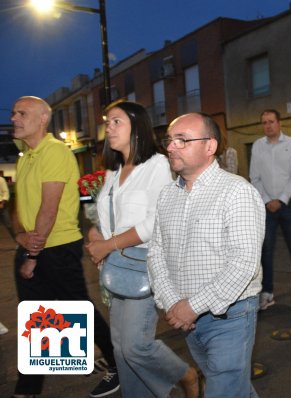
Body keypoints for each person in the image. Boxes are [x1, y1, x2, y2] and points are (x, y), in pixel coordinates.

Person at [84, 101, 199, 398]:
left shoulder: (158, 166)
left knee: (136, 345)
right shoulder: (114, 170)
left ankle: (184, 374)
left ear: (137, 126)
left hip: (143, 264)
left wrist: (107, 245)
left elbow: (153, 223)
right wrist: (96, 234)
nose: (108, 127)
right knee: (121, 348)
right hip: (115, 265)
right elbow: (109, 217)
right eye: (107, 122)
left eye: (116, 122)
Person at [148, 112, 265, 397]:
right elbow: (156, 253)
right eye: (169, 140)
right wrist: (173, 302)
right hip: (187, 319)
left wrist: (192, 306)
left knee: (223, 389)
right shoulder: (167, 195)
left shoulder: (237, 192)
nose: (171, 147)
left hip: (231, 316)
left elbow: (243, 263)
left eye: (182, 140)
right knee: (233, 387)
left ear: (210, 147)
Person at [10, 96, 119, 398]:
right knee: (37, 317)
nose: (14, 118)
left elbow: (49, 207)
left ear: (43, 119)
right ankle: (27, 389)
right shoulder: (26, 156)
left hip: (56, 249)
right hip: (34, 247)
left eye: (22, 113)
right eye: (13, 113)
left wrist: (32, 254)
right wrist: (20, 234)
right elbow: (21, 202)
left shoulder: (55, 152)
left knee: (79, 310)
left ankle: (119, 365)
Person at [249, 109, 291, 311]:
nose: (268, 125)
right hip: (266, 206)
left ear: (279, 123)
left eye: (271, 121)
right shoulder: (258, 146)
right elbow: (255, 177)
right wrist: (267, 200)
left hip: (289, 203)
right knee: (266, 248)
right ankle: (267, 292)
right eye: (264, 122)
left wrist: (281, 199)